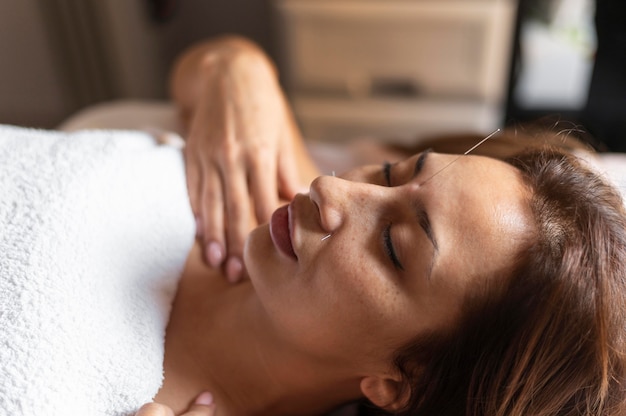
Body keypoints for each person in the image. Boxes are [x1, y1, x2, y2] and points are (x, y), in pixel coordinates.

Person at [1, 36, 625, 416]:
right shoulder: (263, 187)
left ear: (401, 383)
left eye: (391, 246)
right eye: (388, 173)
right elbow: (207, 69)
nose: (332, 190)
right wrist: (238, 68)